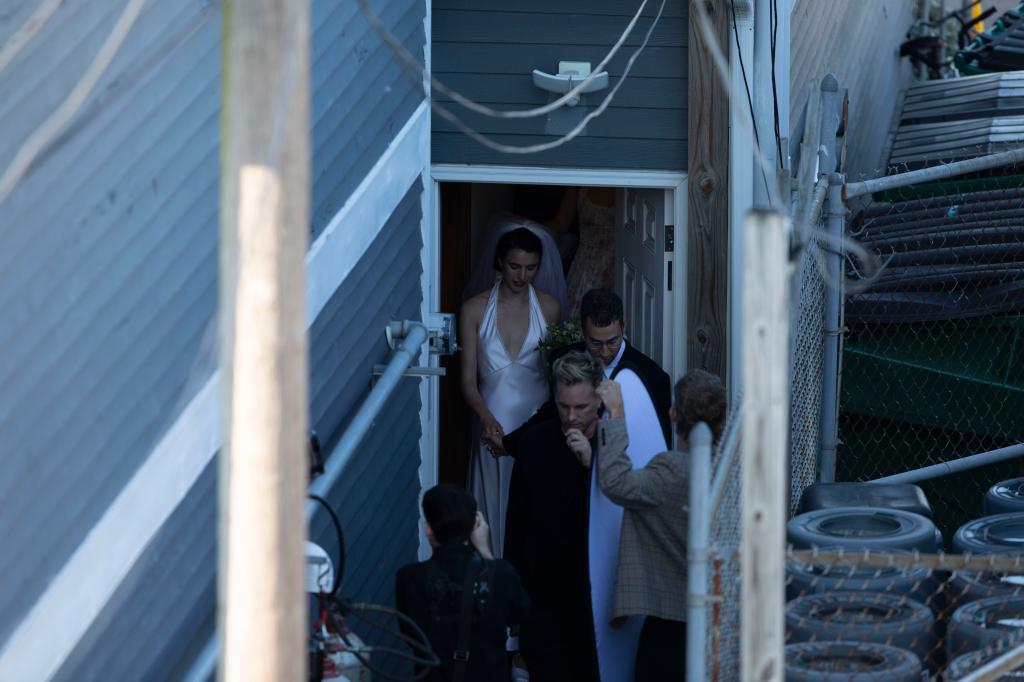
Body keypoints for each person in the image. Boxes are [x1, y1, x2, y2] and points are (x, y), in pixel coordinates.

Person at [594, 369, 728, 681]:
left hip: (673, 624)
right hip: (720, 619)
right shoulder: (730, 470)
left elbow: (615, 482)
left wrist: (616, 412)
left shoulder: (673, 471)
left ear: (672, 415)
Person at [503, 351, 604, 682]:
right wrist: (513, 594)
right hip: (541, 593)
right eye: (564, 407)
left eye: (581, 407)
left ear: (599, 401)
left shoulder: (614, 446)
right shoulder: (534, 443)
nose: (571, 416)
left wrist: (592, 464)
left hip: (594, 595)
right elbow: (516, 521)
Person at [460, 226, 560, 557]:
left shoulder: (549, 308)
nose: (522, 275)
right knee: (492, 505)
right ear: (501, 262)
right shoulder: (474, 309)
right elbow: (467, 381)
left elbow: (555, 372)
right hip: (493, 421)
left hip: (536, 421)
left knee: (534, 501)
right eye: (515, 266)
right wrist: (487, 419)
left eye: (530, 267)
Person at [395, 485, 529, 682]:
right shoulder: (500, 573)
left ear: (428, 529)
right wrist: (485, 552)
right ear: (474, 527)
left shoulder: (410, 578)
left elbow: (411, 635)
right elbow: (521, 613)